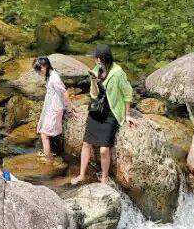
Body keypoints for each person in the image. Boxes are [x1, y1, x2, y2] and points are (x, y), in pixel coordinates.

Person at [72, 46, 134, 186]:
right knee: (86, 143)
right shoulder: (95, 70)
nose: (94, 60)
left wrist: (127, 115)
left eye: (96, 58)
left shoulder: (118, 73)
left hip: (110, 113)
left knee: (104, 149)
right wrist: (94, 81)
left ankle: (104, 177)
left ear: (100, 59)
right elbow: (94, 95)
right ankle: (81, 174)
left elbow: (128, 93)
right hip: (96, 110)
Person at [34, 55, 68, 160]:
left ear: (44, 67)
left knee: (44, 134)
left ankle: (48, 158)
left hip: (55, 109)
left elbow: (65, 92)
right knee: (43, 131)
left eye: (38, 70)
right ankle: (49, 154)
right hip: (51, 107)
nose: (38, 73)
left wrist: (70, 109)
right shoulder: (51, 75)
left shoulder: (54, 78)